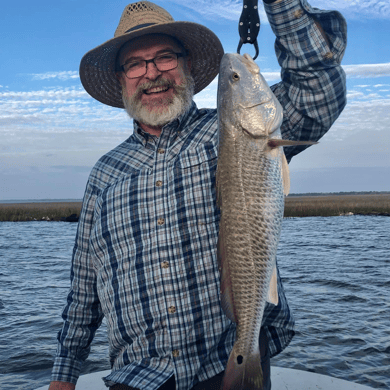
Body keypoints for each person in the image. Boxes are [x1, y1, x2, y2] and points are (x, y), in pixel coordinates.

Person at [49, 1, 347, 389]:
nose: (151, 72)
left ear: (188, 65)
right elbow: (83, 288)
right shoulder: (103, 174)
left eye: (165, 57)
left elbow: (317, 93)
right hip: (136, 379)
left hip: (225, 364)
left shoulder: (233, 128)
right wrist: (64, 374)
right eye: (135, 64)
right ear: (122, 80)